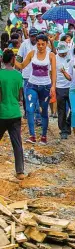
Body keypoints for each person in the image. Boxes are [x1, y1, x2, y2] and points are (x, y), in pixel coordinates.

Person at [15, 34, 57, 145]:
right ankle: (32, 135)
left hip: (45, 86)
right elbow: (22, 65)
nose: (40, 46)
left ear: (47, 44)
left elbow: (53, 72)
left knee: (43, 111)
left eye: (43, 44)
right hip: (32, 85)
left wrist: (53, 86)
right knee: (29, 110)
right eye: (38, 44)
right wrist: (12, 59)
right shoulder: (32, 53)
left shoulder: (51, 55)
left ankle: (43, 136)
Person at [0, 49, 25, 180]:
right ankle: (20, 171)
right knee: (17, 143)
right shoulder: (18, 75)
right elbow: (20, 96)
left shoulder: (0, 75)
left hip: (2, 113)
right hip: (15, 113)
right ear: (12, 60)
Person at [54, 42, 72, 140]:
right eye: (62, 52)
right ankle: (63, 130)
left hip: (70, 86)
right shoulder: (55, 59)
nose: (63, 54)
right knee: (61, 110)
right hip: (59, 86)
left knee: (74, 108)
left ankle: (68, 124)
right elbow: (51, 72)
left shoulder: (70, 56)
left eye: (65, 52)